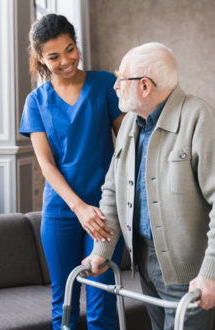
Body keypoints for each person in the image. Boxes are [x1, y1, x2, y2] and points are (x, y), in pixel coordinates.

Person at [83, 42, 215, 330]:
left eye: (121, 78)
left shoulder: (199, 117)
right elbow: (113, 191)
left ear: (144, 86)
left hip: (190, 274)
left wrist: (211, 273)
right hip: (144, 263)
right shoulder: (131, 122)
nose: (115, 86)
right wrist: (101, 251)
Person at [19, 14, 125, 330]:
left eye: (70, 49)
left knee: (101, 304)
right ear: (39, 58)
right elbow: (46, 165)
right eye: (54, 56)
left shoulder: (105, 84)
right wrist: (78, 208)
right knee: (63, 304)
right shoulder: (35, 101)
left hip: (105, 213)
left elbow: (125, 147)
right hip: (60, 213)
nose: (66, 60)